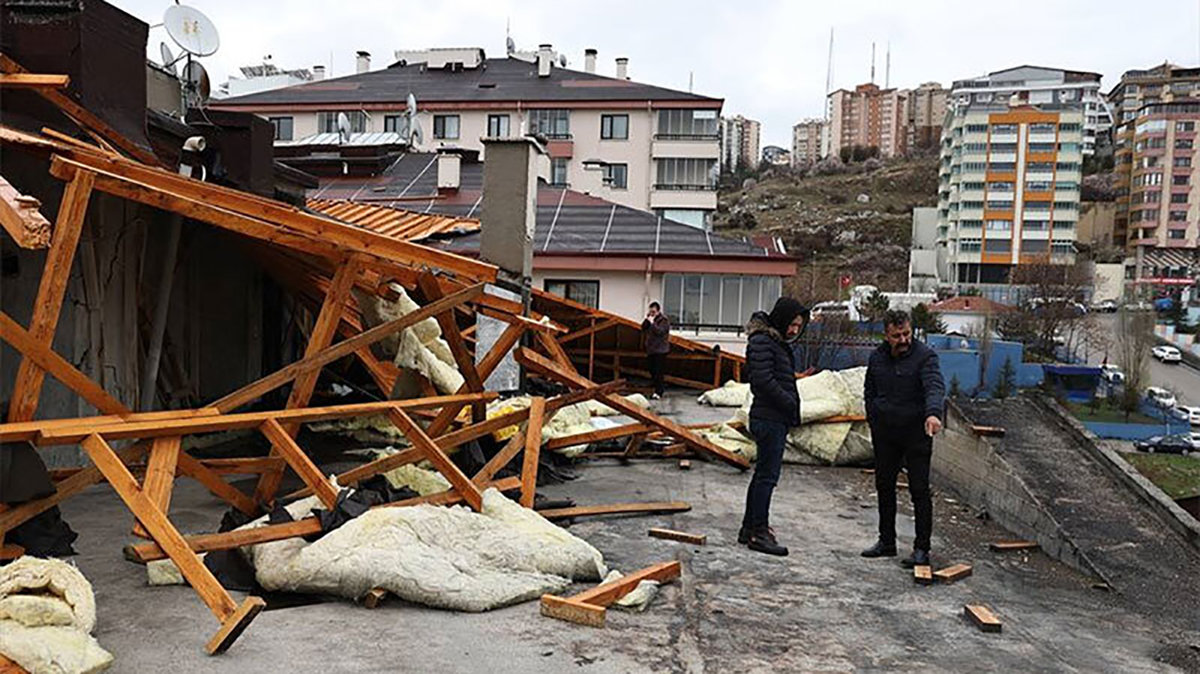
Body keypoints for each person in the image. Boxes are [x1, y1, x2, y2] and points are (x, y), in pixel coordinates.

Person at [861, 310, 946, 568]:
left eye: (907, 333)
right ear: (887, 336)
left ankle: (922, 549)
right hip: (886, 432)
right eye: (897, 335)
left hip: (916, 432)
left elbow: (934, 386)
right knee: (884, 486)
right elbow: (869, 390)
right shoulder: (877, 358)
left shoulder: (925, 357)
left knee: (919, 490)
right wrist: (873, 416)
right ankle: (886, 541)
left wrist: (933, 414)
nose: (903, 339)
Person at [740, 297, 809, 556]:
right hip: (769, 418)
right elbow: (762, 380)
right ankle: (759, 532)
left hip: (773, 418)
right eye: (791, 324)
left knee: (762, 477)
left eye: (798, 326)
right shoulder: (763, 342)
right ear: (781, 318)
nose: (794, 330)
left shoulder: (774, 343)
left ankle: (749, 528)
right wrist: (789, 402)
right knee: (767, 478)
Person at [641, 301, 670, 400]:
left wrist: (652, 323)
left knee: (658, 371)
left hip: (660, 350)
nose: (652, 313)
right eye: (651, 311)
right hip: (651, 349)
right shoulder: (650, 319)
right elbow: (643, 328)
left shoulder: (664, 320)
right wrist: (647, 319)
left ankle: (659, 391)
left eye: (653, 312)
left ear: (658, 311)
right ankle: (655, 388)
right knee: (651, 370)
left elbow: (660, 332)